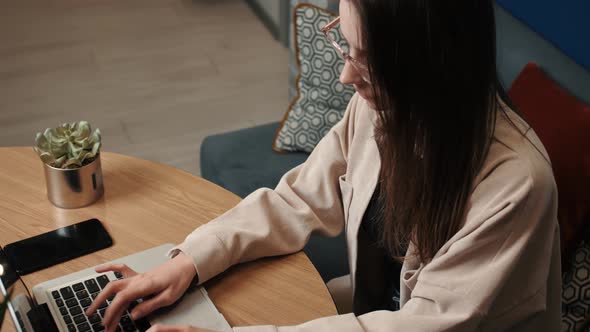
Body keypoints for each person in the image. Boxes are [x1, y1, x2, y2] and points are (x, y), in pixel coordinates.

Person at [86, 0, 561, 331]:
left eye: (368, 60)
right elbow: (298, 199)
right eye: (345, 44)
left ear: (431, 64)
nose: (346, 75)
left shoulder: (517, 185)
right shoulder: (386, 106)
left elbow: (426, 325)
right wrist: (189, 260)